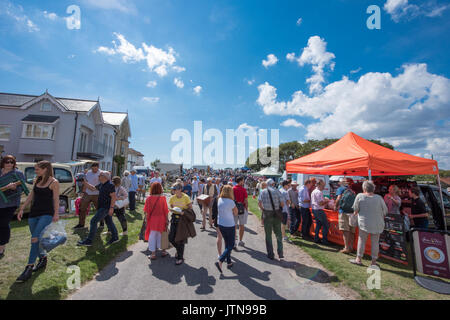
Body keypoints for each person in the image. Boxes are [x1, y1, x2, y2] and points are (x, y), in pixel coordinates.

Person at [16, 161, 60, 283]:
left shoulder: (54, 182)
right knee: (37, 238)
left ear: (45, 169)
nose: (35, 171)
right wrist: (22, 208)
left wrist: (56, 213)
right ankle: (43, 258)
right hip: (34, 213)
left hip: (46, 214)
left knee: (35, 238)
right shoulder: (37, 180)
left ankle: (29, 268)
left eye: (37, 169)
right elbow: (31, 195)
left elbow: (56, 199)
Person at [350, 181, 388, 267]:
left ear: (364, 188)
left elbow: (355, 210)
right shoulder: (379, 198)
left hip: (364, 223)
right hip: (377, 223)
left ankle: (358, 259)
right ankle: (373, 262)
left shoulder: (360, 196)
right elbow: (385, 211)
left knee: (362, 241)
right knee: (375, 242)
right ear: (373, 189)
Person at [77, 171, 119, 247]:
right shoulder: (102, 184)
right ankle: (115, 237)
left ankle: (89, 241)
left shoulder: (110, 185)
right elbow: (92, 188)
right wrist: (85, 182)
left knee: (93, 221)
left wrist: (111, 208)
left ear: (104, 177)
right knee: (109, 222)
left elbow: (113, 197)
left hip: (105, 208)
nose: (98, 176)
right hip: (103, 207)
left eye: (100, 175)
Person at [0, 155, 26, 259]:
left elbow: (22, 189)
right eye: (7, 162)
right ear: (3, 162)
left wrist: (14, 188)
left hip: (10, 204)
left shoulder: (18, 174)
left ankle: (1, 247)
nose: (9, 164)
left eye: (11, 162)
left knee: (3, 223)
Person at [258, 179, 285, 260]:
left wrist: (264, 209)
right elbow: (282, 203)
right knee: (278, 234)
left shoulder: (262, 191)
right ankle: (280, 253)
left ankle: (270, 254)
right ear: (273, 184)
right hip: (276, 214)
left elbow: (259, 203)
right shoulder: (277, 191)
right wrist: (278, 207)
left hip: (267, 214)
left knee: (268, 235)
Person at [214, 185, 238, 273]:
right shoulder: (231, 201)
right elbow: (236, 213)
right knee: (231, 244)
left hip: (221, 224)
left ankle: (229, 261)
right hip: (229, 224)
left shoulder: (219, 199)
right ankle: (221, 260)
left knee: (227, 243)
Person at [168, 183, 193, 265]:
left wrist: (183, 212)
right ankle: (179, 251)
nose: (173, 191)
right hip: (174, 219)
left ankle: (180, 257)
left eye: (174, 189)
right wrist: (172, 210)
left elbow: (190, 209)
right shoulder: (172, 198)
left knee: (181, 240)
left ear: (179, 189)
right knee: (171, 238)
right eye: (173, 189)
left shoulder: (186, 197)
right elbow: (171, 207)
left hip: (183, 219)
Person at [144, 182, 169, 260]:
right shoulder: (163, 198)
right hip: (162, 218)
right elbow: (166, 210)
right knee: (162, 234)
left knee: (152, 235)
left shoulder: (149, 198)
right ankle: (163, 251)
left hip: (152, 219)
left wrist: (146, 219)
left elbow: (147, 211)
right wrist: (167, 219)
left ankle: (153, 253)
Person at [74, 162, 100, 229]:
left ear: (98, 168)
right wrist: (83, 192)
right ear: (91, 168)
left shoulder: (101, 173)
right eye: (93, 169)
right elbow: (84, 182)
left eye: (96, 169)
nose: (94, 170)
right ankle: (81, 224)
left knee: (99, 209)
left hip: (97, 194)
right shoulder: (88, 173)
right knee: (82, 208)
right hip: (87, 193)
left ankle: (101, 223)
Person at [334, 178, 356, 254]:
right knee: (352, 231)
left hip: (344, 211)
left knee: (345, 230)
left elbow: (338, 198)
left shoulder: (340, 189)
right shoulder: (352, 190)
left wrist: (335, 206)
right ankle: (351, 247)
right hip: (352, 212)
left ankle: (346, 247)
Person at [311, 179, 330, 245]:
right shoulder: (319, 192)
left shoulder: (314, 191)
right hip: (319, 210)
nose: (324, 187)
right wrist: (327, 201)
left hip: (315, 209)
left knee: (318, 225)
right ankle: (324, 240)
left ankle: (316, 238)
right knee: (325, 225)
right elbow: (320, 203)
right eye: (323, 185)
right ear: (319, 185)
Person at [233, 176, 248, 248]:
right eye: (243, 180)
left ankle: (234, 241)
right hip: (242, 209)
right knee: (242, 225)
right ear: (241, 181)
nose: (244, 182)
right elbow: (246, 200)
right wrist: (247, 209)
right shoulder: (243, 189)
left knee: (234, 226)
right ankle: (240, 240)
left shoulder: (233, 189)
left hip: (234, 208)